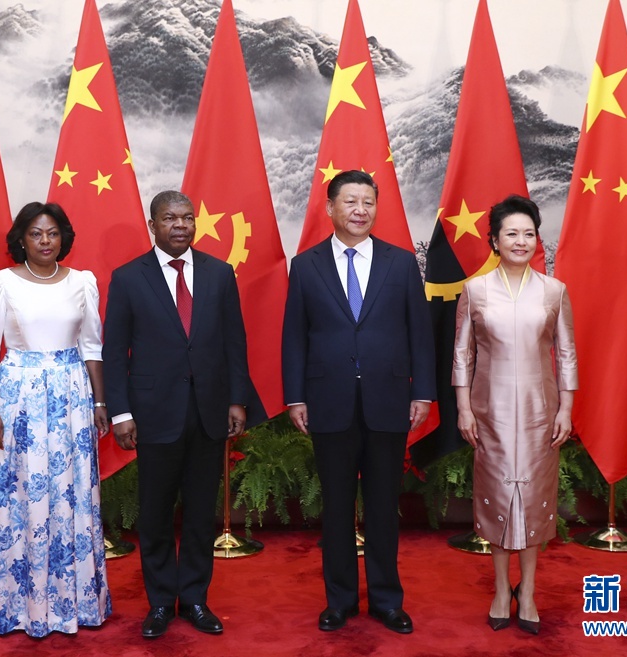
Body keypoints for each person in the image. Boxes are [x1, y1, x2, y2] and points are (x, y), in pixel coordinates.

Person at [282, 170, 436, 634]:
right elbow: (295, 337)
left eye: (368, 202)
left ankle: (387, 600)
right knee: (336, 506)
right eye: (350, 201)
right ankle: (340, 600)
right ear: (330, 208)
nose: (360, 210)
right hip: (328, 401)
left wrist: (422, 391)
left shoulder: (401, 263)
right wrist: (295, 397)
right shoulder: (305, 265)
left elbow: (419, 332)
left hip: (388, 400)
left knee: (383, 505)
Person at [102, 190, 254, 639]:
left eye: (187, 218)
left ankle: (195, 599)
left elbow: (234, 342)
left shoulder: (219, 273)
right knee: (155, 513)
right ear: (153, 225)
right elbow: (115, 352)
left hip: (209, 412)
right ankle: (159, 603)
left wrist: (237, 400)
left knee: (201, 512)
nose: (180, 225)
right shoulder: (129, 278)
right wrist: (121, 413)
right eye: (170, 218)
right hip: (153, 414)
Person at [0, 202, 111, 637]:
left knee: (73, 493)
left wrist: (100, 402)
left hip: (72, 399)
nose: (45, 240)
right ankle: (17, 609)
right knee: (20, 496)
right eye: (36, 233)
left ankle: (76, 604)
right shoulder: (0, 283)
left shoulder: (83, 282)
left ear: (63, 237)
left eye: (52, 233)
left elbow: (92, 346)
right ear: (21, 239)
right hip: (20, 400)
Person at [452, 195, 578, 635]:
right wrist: (464, 409)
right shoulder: (475, 290)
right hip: (490, 414)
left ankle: (529, 592)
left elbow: (566, 354)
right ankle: (502, 590)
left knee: (534, 502)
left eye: (528, 233)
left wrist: (566, 408)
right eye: (511, 233)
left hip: (542, 413)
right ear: (494, 240)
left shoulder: (554, 290)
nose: (520, 241)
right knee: (499, 498)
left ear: (537, 239)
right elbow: (462, 355)